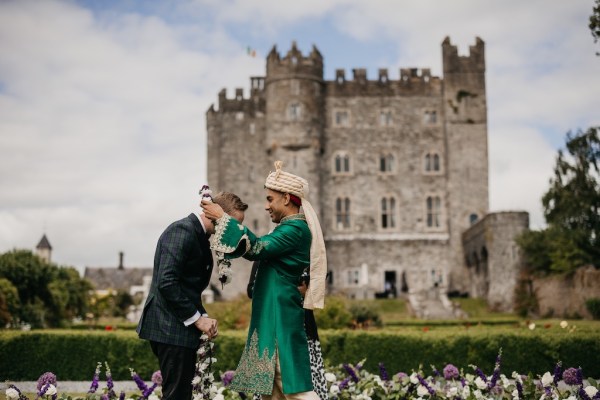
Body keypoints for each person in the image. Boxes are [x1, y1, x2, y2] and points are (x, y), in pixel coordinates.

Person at [202, 161, 327, 400]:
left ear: (287, 198)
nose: (266, 206)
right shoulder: (286, 228)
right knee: (270, 391)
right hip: (272, 315)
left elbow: (256, 248)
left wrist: (223, 218)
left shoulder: (295, 230)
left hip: (280, 318)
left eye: (270, 199)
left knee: (295, 389)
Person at [137, 191, 248, 400]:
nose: (234, 230)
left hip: (179, 328)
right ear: (216, 213)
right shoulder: (182, 230)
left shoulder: (198, 235)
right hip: (169, 328)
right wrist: (197, 320)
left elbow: (187, 288)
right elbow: (166, 282)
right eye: (232, 223)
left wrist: (203, 317)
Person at [247, 262, 329, 400]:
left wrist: (306, 291)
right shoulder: (264, 256)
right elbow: (251, 290)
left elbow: (318, 291)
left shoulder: (308, 256)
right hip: (272, 328)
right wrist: (284, 289)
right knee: (273, 387)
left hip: (303, 330)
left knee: (304, 385)